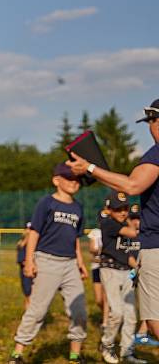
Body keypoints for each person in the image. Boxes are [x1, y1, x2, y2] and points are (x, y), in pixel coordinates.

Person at [67, 99, 159, 341]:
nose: (151, 128)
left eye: (151, 121)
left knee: (155, 322)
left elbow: (133, 185)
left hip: (156, 245)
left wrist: (89, 168)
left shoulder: (157, 154)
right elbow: (128, 187)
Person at [7, 163, 88, 364]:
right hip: (47, 261)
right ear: (56, 180)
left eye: (76, 179)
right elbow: (34, 232)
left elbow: (76, 239)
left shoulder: (78, 207)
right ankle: (17, 353)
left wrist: (80, 262)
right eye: (68, 178)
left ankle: (75, 355)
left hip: (70, 264)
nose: (73, 182)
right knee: (37, 310)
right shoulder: (47, 203)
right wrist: (29, 260)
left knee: (79, 311)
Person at [98, 192, 144, 364]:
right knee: (116, 312)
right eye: (118, 209)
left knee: (131, 315)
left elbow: (130, 255)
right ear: (109, 210)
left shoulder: (123, 223)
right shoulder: (108, 223)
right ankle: (107, 344)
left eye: (125, 209)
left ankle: (127, 352)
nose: (123, 212)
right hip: (109, 269)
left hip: (126, 272)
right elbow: (133, 234)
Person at [128, 205, 159, 348]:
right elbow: (126, 254)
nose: (136, 222)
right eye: (132, 218)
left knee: (150, 308)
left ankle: (141, 333)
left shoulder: (146, 234)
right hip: (128, 273)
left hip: (144, 270)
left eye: (138, 218)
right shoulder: (128, 234)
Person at [88, 210, 109, 331]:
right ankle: (106, 314)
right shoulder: (95, 232)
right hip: (96, 268)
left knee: (106, 297)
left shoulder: (113, 232)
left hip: (107, 268)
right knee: (98, 299)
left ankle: (105, 322)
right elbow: (92, 249)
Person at [16, 222, 33, 309]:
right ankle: (28, 313)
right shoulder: (22, 243)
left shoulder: (36, 244)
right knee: (27, 293)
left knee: (32, 294)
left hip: (33, 271)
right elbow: (21, 259)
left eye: (31, 229)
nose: (29, 231)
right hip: (24, 271)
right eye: (27, 229)